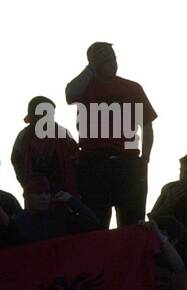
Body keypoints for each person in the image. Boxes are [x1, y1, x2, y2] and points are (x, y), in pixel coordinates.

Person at [66, 42, 157, 227]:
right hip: (93, 162)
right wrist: (90, 68)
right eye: (106, 60)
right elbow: (70, 94)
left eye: (114, 58)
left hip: (128, 161)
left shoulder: (132, 88)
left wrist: (145, 158)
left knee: (132, 223)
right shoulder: (85, 87)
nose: (113, 63)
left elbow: (147, 125)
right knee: (94, 223)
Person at [0, 175, 100, 245]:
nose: (44, 197)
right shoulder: (18, 223)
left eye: (47, 193)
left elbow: (93, 224)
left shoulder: (61, 217)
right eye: (38, 193)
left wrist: (71, 200)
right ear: (27, 197)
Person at [12, 95, 80, 196]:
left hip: (62, 190)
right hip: (35, 191)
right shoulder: (23, 136)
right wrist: (26, 183)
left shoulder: (62, 133)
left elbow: (75, 157)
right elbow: (16, 161)